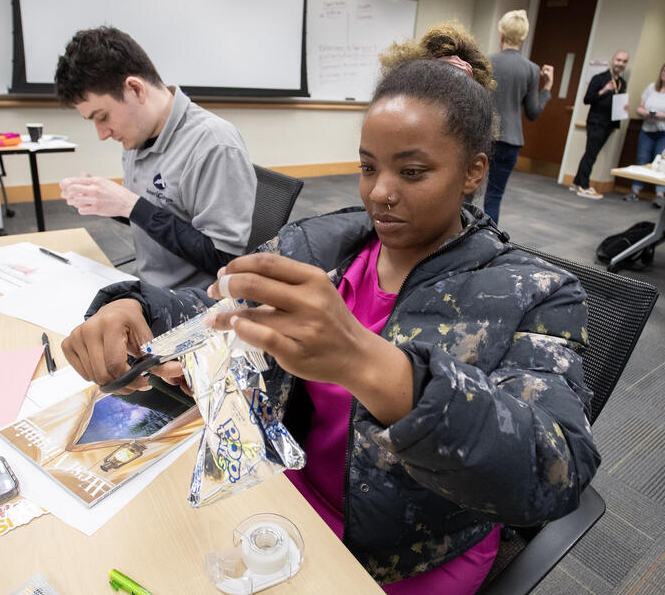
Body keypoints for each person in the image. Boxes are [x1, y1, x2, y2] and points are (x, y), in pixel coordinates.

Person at [62, 47, 600, 594]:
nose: (381, 193)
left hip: (407, 554)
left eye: (412, 172)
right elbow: (221, 313)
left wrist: (368, 362)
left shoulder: (534, 294)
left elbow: (555, 471)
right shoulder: (321, 246)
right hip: (285, 497)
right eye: (369, 167)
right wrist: (138, 308)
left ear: (473, 172)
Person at [54, 26, 257, 290]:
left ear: (136, 90)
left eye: (103, 117)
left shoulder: (213, 144)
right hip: (148, 287)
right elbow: (153, 212)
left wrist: (131, 205)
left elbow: (224, 261)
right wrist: (105, 200)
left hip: (193, 306)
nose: (102, 134)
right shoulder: (139, 137)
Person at [485, 10, 554, 223]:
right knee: (494, 197)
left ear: (501, 34)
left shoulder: (486, 62)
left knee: (466, 194)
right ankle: (487, 244)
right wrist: (548, 87)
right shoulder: (532, 70)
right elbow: (533, 112)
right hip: (511, 141)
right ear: (523, 37)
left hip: (482, 137)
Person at [571, 50, 630, 200]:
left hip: (608, 124)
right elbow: (587, 99)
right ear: (613, 60)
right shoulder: (599, 78)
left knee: (591, 153)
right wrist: (604, 90)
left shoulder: (622, 83)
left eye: (624, 61)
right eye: (618, 60)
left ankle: (577, 182)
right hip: (596, 122)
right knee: (591, 155)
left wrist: (623, 107)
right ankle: (584, 185)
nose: (620, 64)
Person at [625, 62, 665, 207]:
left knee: (661, 164)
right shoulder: (651, 88)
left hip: (663, 133)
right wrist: (647, 113)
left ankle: (659, 195)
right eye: (663, 70)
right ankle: (635, 191)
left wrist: (661, 115)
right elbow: (639, 108)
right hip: (647, 130)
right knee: (641, 160)